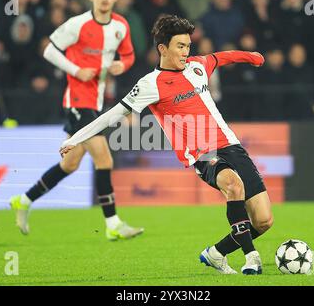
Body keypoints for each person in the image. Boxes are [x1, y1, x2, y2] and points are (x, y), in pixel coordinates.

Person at [60, 15, 274, 275]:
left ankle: (216, 253)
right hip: (201, 153)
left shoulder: (197, 66)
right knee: (233, 184)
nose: (186, 52)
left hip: (231, 144)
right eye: (180, 46)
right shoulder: (150, 84)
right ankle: (252, 257)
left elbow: (221, 57)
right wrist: (75, 138)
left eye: (188, 46)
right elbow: (112, 114)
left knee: (263, 221)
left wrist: (252, 56)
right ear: (163, 48)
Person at [10, 0, 144, 240]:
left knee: (70, 164)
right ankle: (113, 224)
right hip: (77, 101)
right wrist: (75, 70)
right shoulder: (78, 24)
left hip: (96, 102)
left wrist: (120, 65)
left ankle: (24, 200)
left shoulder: (120, 26)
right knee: (104, 160)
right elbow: (49, 50)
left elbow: (128, 56)